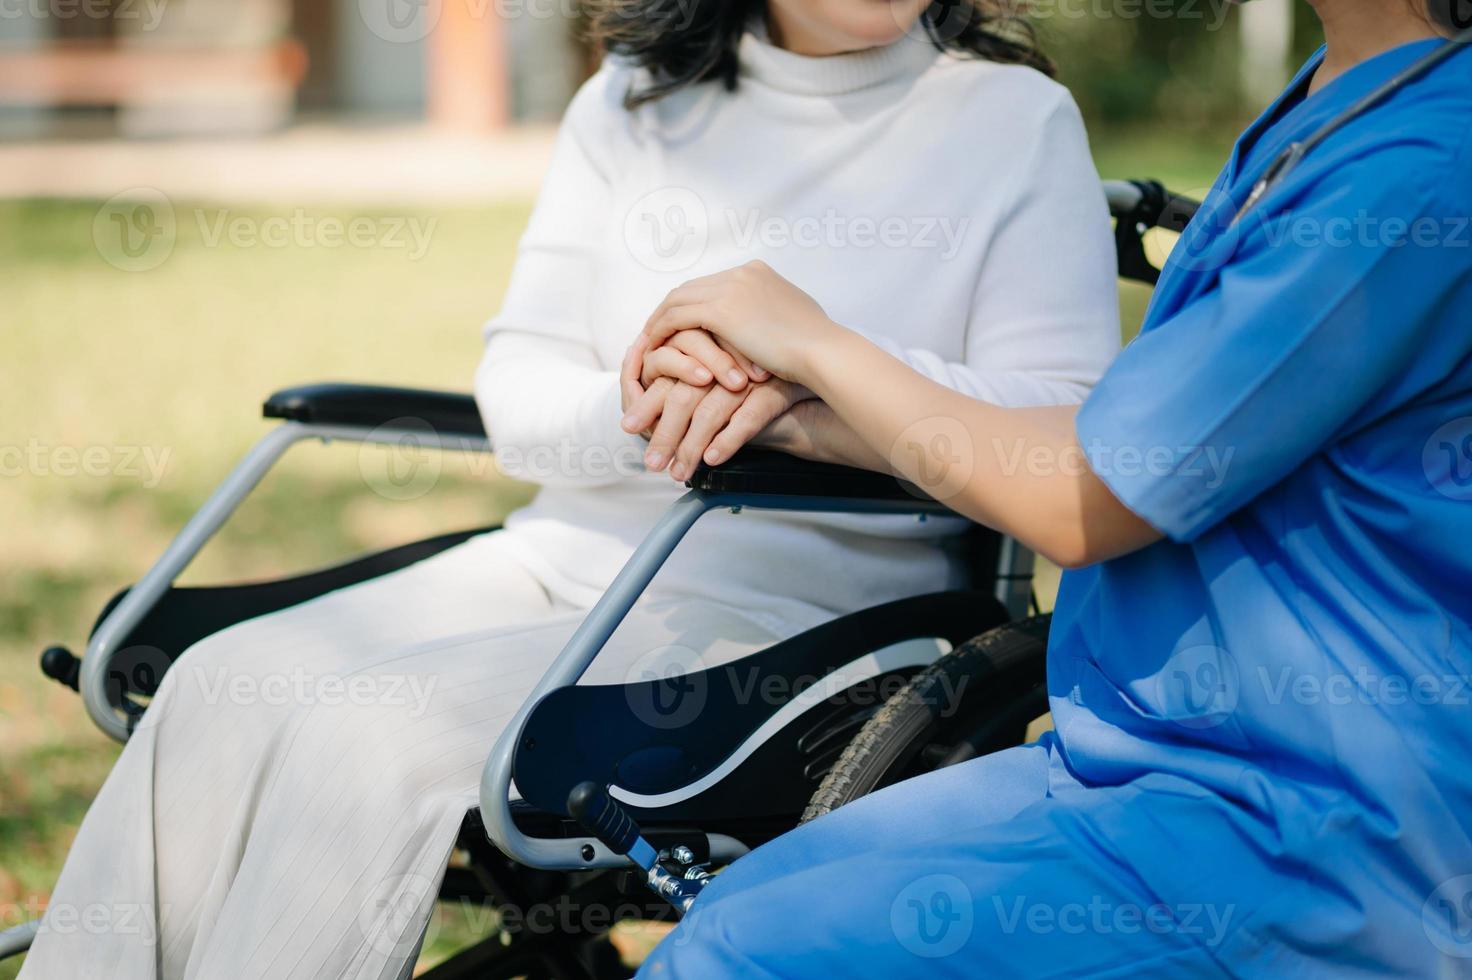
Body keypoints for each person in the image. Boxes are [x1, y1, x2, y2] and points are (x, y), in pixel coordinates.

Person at [19, 2, 1120, 978]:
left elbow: (1049, 422)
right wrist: (648, 398)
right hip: (559, 560)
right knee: (220, 685)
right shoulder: (634, 99)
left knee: (368, 735)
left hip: (804, 618)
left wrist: (803, 390)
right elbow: (520, 381)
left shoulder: (1011, 122)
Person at [627, 3, 1472, 976]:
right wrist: (789, 409)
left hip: (1309, 838)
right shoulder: (1334, 95)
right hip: (1139, 763)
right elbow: (1117, 438)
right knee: (734, 903)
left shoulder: (1417, 164)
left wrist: (812, 338)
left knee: (734, 956)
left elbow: (1080, 498)